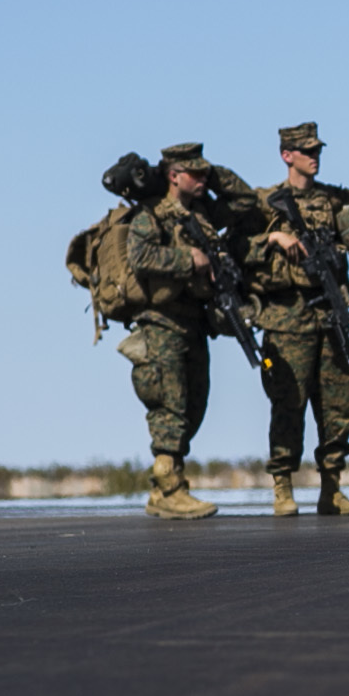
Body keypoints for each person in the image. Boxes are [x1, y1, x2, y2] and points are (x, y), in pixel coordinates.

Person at [247, 122, 349, 516]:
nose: (315, 157)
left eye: (318, 150)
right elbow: (234, 246)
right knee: (287, 403)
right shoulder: (264, 203)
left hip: (330, 318)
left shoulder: (335, 200)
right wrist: (272, 238)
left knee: (337, 405)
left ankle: (332, 487)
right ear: (287, 155)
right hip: (286, 320)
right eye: (307, 150)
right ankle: (282, 486)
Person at [119, 143, 240, 519]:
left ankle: (163, 490)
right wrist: (189, 258)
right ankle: (170, 488)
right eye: (195, 173)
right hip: (162, 323)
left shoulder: (201, 214)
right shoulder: (151, 215)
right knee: (170, 406)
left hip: (194, 322)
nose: (203, 178)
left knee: (194, 405)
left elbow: (246, 203)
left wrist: (217, 177)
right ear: (173, 176)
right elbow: (140, 257)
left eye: (206, 172)